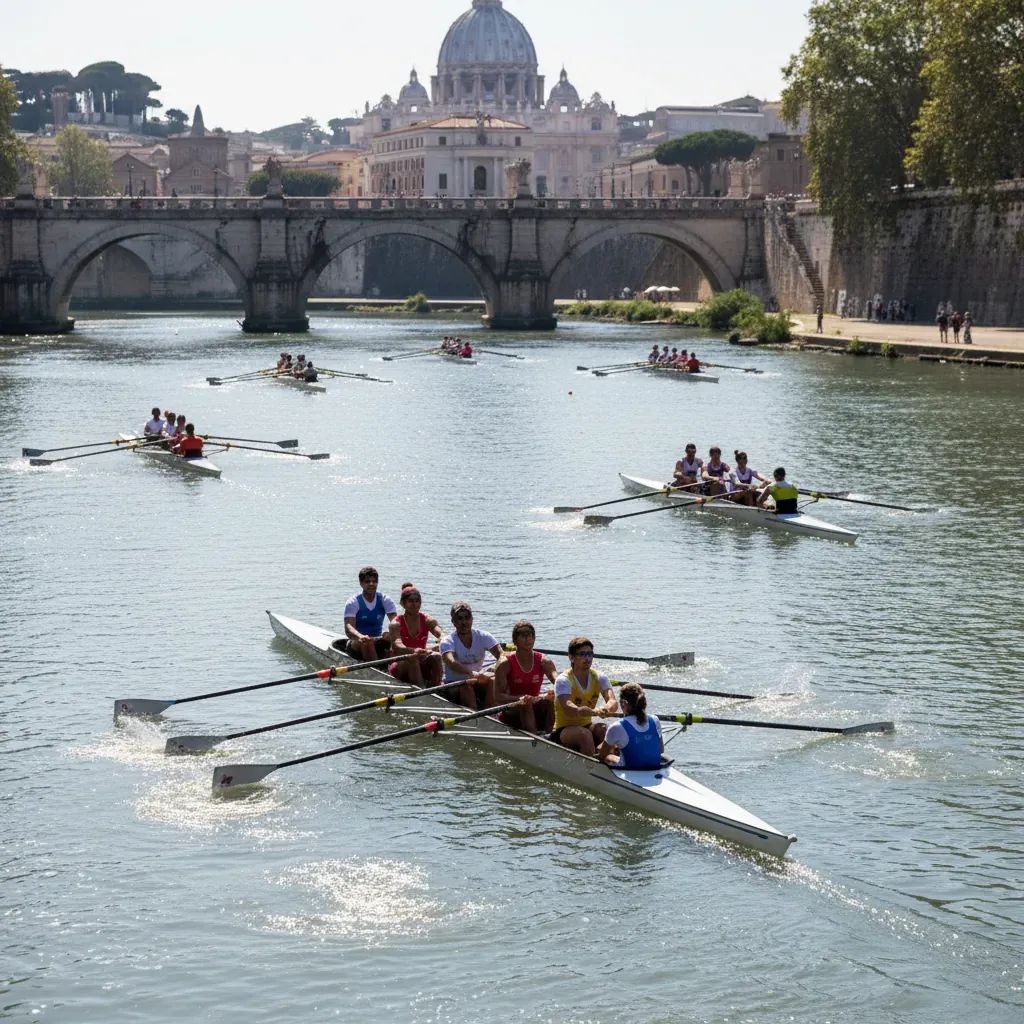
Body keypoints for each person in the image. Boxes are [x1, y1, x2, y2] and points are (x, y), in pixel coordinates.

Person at [552, 636, 618, 756]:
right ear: (571, 657)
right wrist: (579, 710)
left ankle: (613, 762)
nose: (587, 658)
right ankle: (594, 767)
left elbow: (613, 701)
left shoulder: (599, 677)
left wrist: (606, 709)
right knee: (584, 734)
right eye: (582, 654)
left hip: (586, 725)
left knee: (607, 730)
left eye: (589, 654)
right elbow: (567, 707)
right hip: (563, 730)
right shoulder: (563, 680)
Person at [493, 620, 556, 734]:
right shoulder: (504, 663)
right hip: (511, 708)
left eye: (530, 634)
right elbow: (498, 697)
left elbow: (558, 681)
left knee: (551, 701)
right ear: (514, 640)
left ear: (534, 638)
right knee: (526, 704)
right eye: (523, 634)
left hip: (532, 704)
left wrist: (556, 691)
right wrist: (520, 698)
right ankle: (534, 740)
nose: (527, 638)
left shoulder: (544, 661)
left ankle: (550, 736)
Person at [439, 602, 504, 710]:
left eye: (467, 617)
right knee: (467, 687)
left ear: (472, 619)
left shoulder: (483, 636)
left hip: (477, 679)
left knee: (494, 680)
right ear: (453, 622)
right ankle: (473, 712)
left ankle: (491, 712)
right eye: (459, 619)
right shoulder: (447, 641)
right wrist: (471, 673)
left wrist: (494, 669)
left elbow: (501, 656)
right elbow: (451, 663)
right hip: (454, 684)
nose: (464, 622)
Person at [387, 583, 443, 688]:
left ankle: (437, 688)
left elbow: (440, 633)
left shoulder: (427, 619)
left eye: (417, 601)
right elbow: (397, 645)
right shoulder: (395, 624)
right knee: (412, 658)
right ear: (402, 603)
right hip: (400, 665)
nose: (415, 604)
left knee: (436, 656)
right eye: (411, 601)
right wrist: (413, 651)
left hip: (420, 660)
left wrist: (442, 640)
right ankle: (422, 691)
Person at [597, 682, 664, 770]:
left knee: (606, 755)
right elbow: (661, 750)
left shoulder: (616, 726)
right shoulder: (655, 720)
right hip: (654, 767)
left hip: (630, 769)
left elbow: (602, 756)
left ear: (623, 703)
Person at [343, 566, 398, 661]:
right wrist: (360, 636)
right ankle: (377, 668)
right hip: (357, 642)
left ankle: (393, 666)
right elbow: (349, 628)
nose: (371, 584)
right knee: (367, 642)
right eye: (367, 581)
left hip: (376, 640)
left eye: (374, 581)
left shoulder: (385, 600)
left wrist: (391, 634)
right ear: (361, 583)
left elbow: (396, 623)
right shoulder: (353, 602)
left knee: (395, 638)